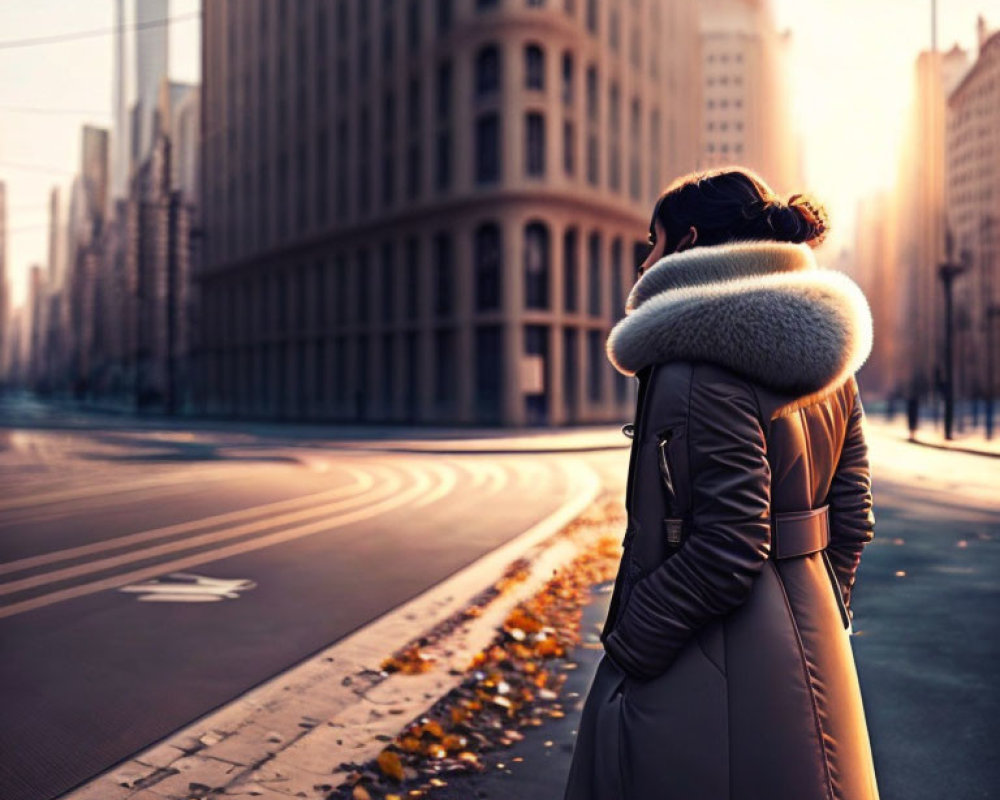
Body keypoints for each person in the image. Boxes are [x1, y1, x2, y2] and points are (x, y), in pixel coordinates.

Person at [562, 166, 880, 800]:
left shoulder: (698, 361)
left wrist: (634, 643)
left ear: (687, 243)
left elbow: (729, 544)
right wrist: (815, 601)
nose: (642, 262)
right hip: (813, 642)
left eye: (651, 242)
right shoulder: (826, 357)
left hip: (710, 661)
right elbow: (854, 514)